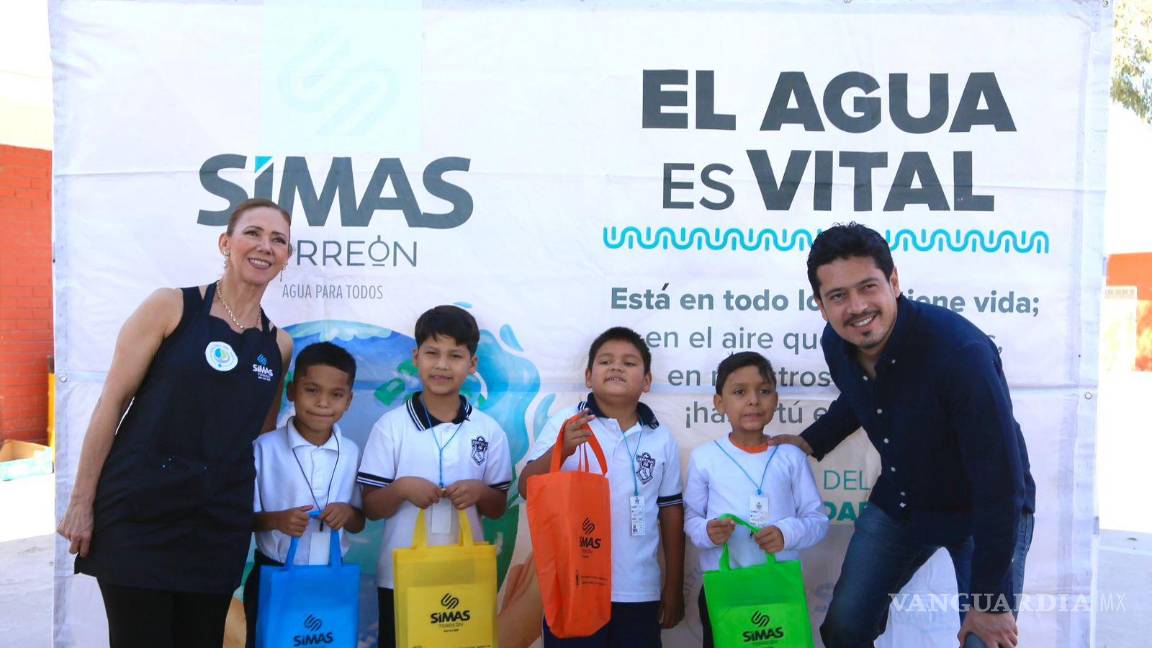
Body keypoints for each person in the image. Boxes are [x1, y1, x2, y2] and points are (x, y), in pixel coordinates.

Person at [769, 223, 1035, 648]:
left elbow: (1001, 484)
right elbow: (860, 398)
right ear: (820, 305)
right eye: (838, 296)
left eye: (868, 287)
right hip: (904, 498)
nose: (856, 307)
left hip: (984, 509)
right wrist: (810, 441)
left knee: (985, 641)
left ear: (893, 281)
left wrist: (990, 603)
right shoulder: (837, 343)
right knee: (844, 629)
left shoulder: (959, 353)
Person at [56, 198, 295, 648]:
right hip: (139, 515)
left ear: (286, 258)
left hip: (216, 526)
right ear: (225, 242)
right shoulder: (170, 307)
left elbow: (258, 434)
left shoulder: (278, 345)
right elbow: (111, 405)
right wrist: (81, 502)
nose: (265, 246)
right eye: (253, 233)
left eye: (278, 239)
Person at [356, 305, 513, 648]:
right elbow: (371, 508)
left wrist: (479, 492)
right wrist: (401, 488)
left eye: (455, 356)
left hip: (465, 575)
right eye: (432, 353)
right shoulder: (391, 427)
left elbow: (498, 506)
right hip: (401, 578)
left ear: (472, 365)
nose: (442, 365)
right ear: (416, 357)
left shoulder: (489, 431)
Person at [519, 326, 686, 647]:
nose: (616, 367)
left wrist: (673, 586)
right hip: (574, 587)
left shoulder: (660, 437)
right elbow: (528, 487)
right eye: (606, 361)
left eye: (629, 362)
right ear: (587, 376)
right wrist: (561, 448)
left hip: (638, 590)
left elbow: (671, 514)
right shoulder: (566, 423)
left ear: (647, 381)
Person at [684, 351, 828, 647]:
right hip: (724, 587)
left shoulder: (790, 456)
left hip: (778, 584)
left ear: (775, 400)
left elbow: (817, 519)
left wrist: (787, 533)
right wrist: (709, 532)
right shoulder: (705, 457)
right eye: (740, 392)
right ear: (719, 403)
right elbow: (691, 519)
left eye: (764, 391)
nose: (753, 400)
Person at [242, 341, 365, 648]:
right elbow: (243, 518)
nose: (323, 403)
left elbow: (360, 521)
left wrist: (347, 513)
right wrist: (278, 519)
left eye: (336, 394)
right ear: (291, 391)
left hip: (330, 577)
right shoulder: (264, 449)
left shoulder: (351, 452)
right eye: (312, 390)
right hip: (274, 572)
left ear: (349, 400)